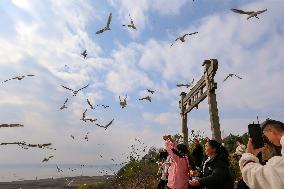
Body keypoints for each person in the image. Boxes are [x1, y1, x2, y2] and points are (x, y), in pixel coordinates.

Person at [239, 119, 284, 189]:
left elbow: (261, 179)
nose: (267, 140)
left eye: (265, 136)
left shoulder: (277, 162)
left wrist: (248, 155)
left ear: (272, 131)